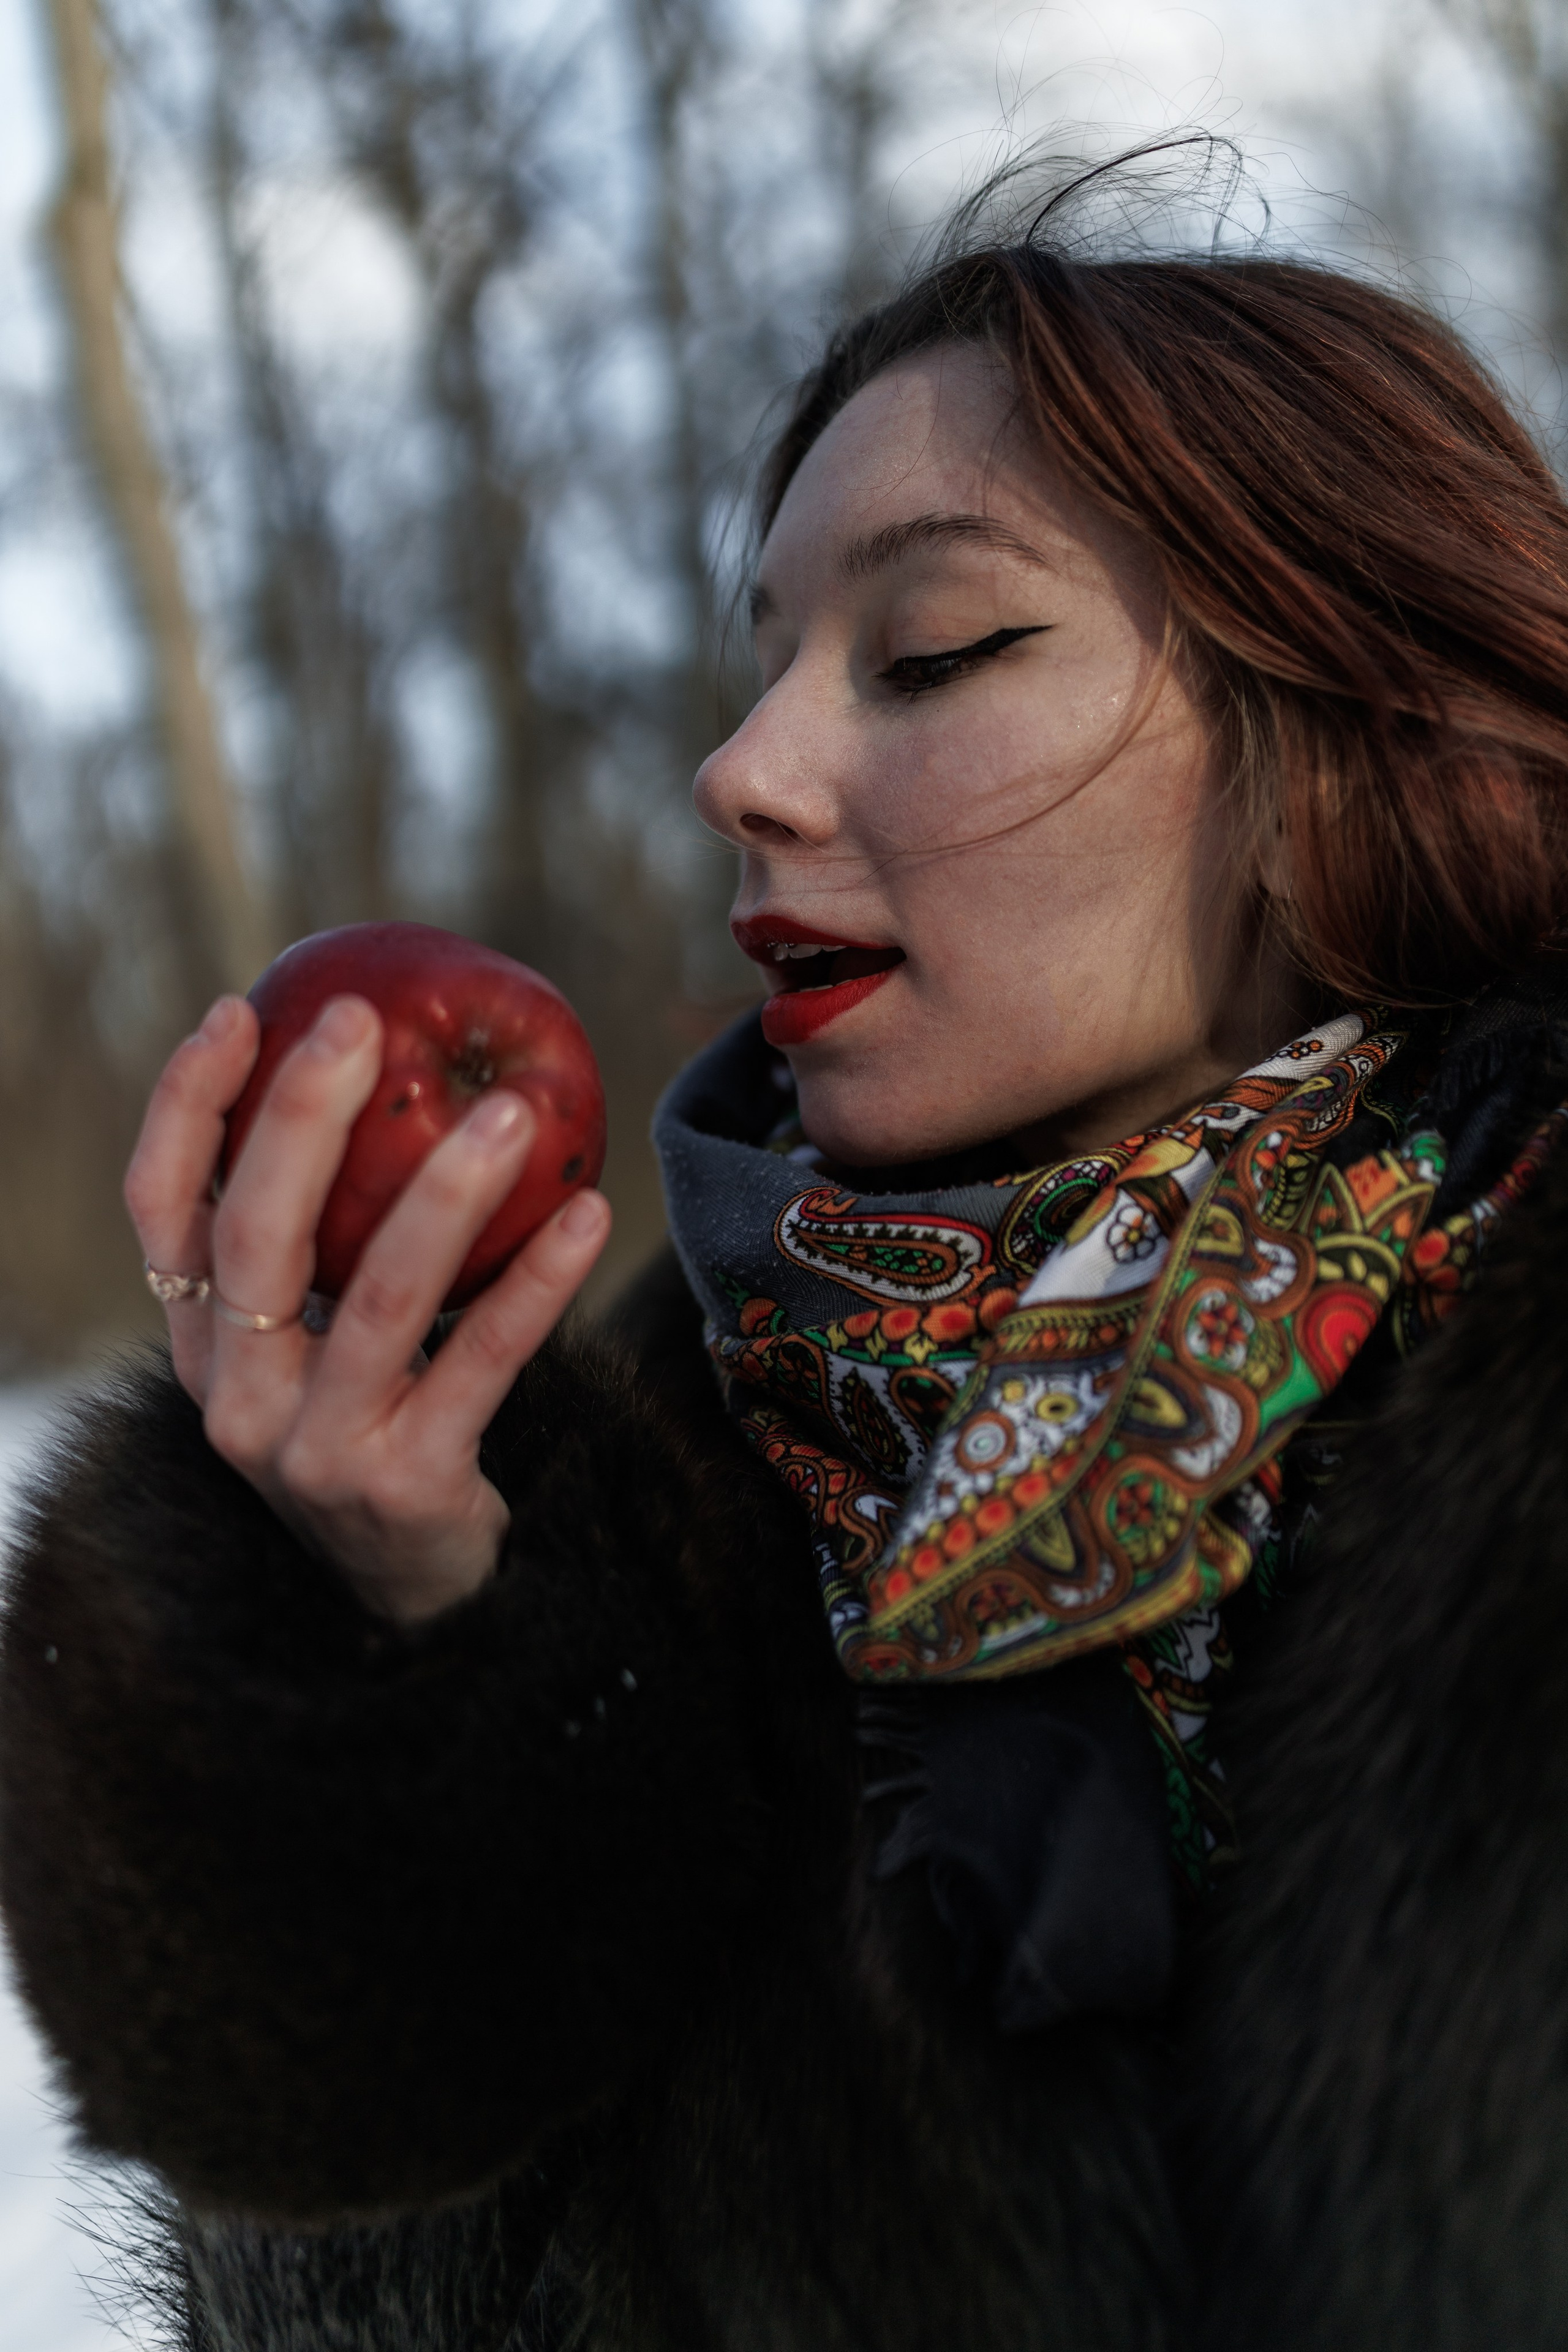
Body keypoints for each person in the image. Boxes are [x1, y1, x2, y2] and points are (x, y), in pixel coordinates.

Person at [6, 159, 1568, 2352]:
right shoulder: (643, 1540)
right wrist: (403, 1702)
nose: (742, 768)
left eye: (931, 649)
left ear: (1350, 720)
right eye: (764, 666)